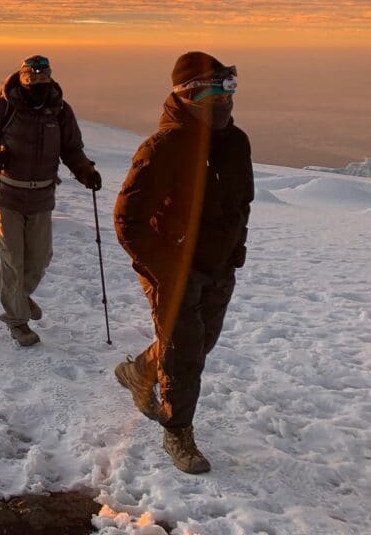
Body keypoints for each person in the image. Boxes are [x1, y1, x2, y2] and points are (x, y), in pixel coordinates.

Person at [112, 51, 253, 474]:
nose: (225, 102)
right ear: (190, 95)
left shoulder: (235, 142)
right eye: (216, 92)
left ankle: (140, 370)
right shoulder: (165, 146)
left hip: (218, 264)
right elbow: (128, 220)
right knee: (185, 350)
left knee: (200, 341)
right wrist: (165, 267)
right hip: (172, 268)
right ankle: (177, 431)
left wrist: (236, 247)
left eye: (230, 90)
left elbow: (240, 202)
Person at [0, 55, 101, 347]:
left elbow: (72, 149)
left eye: (44, 80)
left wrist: (85, 170)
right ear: (23, 79)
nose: (38, 86)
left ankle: (20, 300)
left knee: (39, 260)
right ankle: (17, 320)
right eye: (33, 81)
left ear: (50, 79)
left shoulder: (60, 112)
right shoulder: (2, 108)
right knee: (13, 261)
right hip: (6, 195)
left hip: (41, 196)